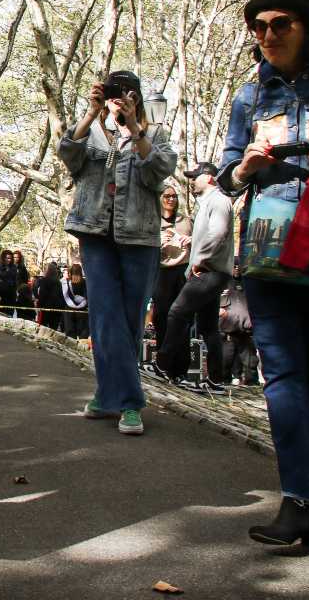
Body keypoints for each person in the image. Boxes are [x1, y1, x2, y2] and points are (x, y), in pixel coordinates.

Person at [217, 0, 309, 549]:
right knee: (284, 377)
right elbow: (224, 177)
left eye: (281, 24)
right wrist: (243, 169)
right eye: (260, 26)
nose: (268, 35)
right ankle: (301, 500)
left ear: (306, 29)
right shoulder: (249, 98)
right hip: (266, 251)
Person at [58, 69, 177, 436]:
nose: (116, 98)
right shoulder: (92, 131)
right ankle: (130, 402)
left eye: (124, 92)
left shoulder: (153, 134)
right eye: (111, 91)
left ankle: (107, 394)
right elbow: (68, 155)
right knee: (105, 315)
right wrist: (91, 113)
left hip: (139, 237)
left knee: (129, 319)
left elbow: (159, 172)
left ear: (135, 97)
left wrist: (134, 131)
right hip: (95, 234)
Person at [154, 162, 233, 393]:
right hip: (212, 271)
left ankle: (162, 365)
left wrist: (199, 259)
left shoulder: (218, 200)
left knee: (177, 313)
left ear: (208, 178)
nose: (192, 181)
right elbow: (211, 234)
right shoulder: (208, 203)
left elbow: (218, 234)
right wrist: (192, 242)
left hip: (208, 271)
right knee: (208, 327)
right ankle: (216, 381)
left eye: (195, 177)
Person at [152, 181, 192, 351]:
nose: (171, 199)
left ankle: (182, 359)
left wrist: (191, 240)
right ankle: (163, 356)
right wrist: (158, 242)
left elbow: (199, 244)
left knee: (182, 315)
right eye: (167, 196)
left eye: (174, 196)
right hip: (161, 272)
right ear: (160, 198)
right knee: (161, 315)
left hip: (183, 271)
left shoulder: (186, 221)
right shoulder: (153, 221)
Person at [219, 261, 256, 386]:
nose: (236, 269)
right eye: (234, 266)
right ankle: (223, 383)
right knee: (225, 361)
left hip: (246, 330)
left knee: (250, 362)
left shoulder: (248, 283)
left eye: (238, 266)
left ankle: (251, 383)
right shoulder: (222, 281)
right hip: (227, 330)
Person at [34, 263, 65, 331]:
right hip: (57, 309)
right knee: (53, 329)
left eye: (45, 269)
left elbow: (42, 295)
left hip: (46, 309)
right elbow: (61, 296)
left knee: (43, 329)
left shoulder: (44, 281)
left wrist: (39, 305)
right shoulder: (58, 282)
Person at [62, 263, 89, 338]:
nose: (76, 277)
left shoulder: (67, 282)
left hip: (73, 312)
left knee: (74, 335)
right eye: (75, 274)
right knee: (80, 335)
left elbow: (64, 297)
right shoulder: (84, 282)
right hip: (78, 312)